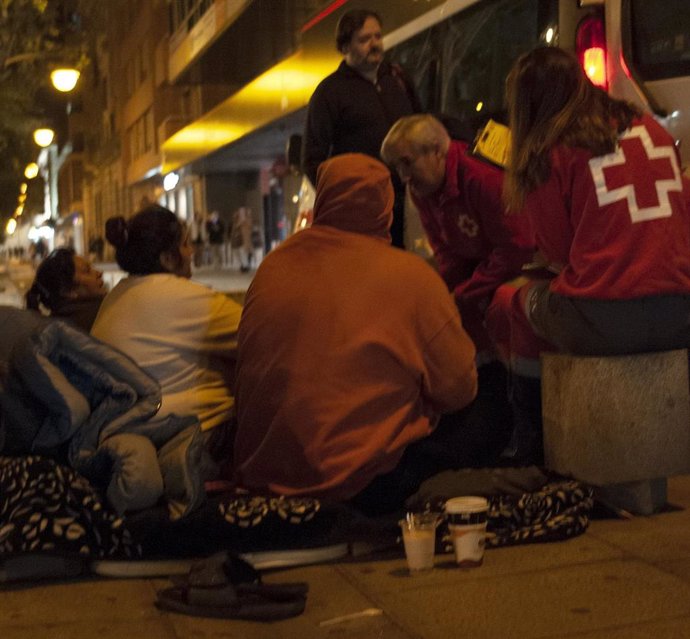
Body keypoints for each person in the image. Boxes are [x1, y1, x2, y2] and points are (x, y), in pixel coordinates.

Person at [230, 153, 478, 514]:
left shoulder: (274, 267)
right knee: (488, 410)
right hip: (359, 484)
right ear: (386, 210)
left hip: (264, 476)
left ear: (324, 200)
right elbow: (459, 388)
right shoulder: (410, 276)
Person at [491, 47, 690, 463]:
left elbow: (559, 253)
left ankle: (531, 443)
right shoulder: (650, 130)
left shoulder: (553, 150)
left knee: (512, 300)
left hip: (607, 319)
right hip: (680, 311)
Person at [91, 205, 242, 441]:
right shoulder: (180, 296)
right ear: (168, 259)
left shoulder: (116, 296)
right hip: (185, 437)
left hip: (130, 432)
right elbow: (262, 333)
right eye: (184, 244)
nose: (191, 252)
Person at [302, 9, 420, 248]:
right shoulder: (329, 93)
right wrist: (346, 199)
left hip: (410, 204)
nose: (374, 44)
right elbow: (313, 160)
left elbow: (420, 126)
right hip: (364, 213)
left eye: (377, 36)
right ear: (345, 47)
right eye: (364, 39)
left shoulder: (398, 79)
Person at [25, 247, 106, 332]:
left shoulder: (53, 329)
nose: (99, 273)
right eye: (87, 271)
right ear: (67, 292)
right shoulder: (99, 318)